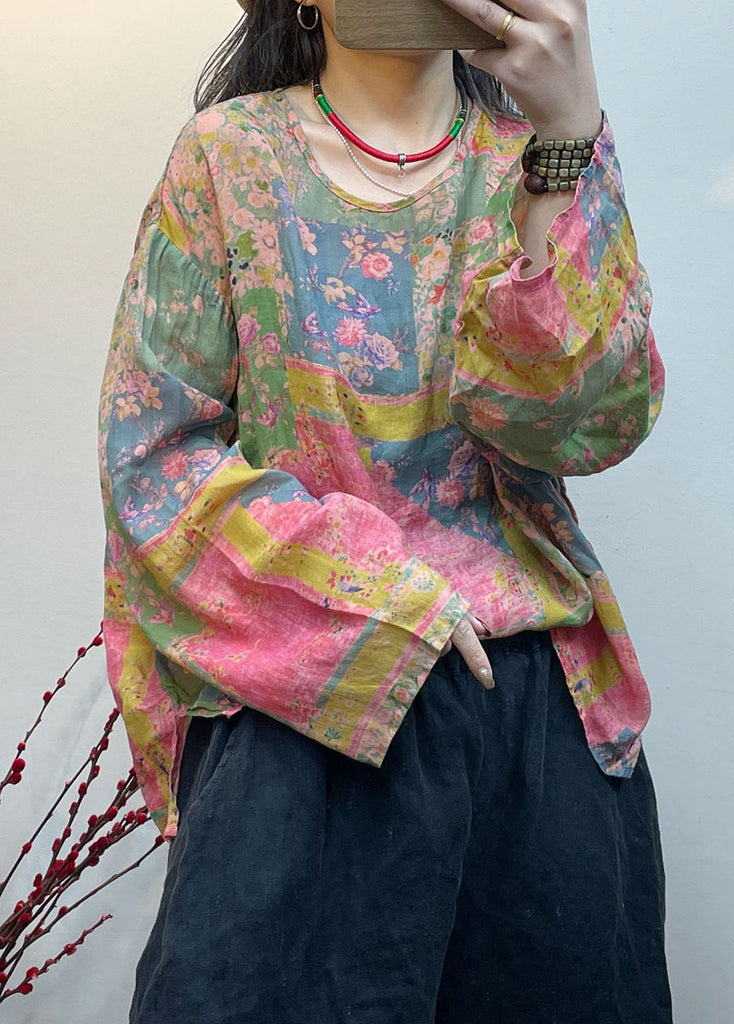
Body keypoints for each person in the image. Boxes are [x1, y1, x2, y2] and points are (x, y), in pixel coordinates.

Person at [97, 1, 673, 1021]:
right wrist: (371, 593)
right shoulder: (229, 159)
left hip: (528, 719)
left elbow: (587, 423)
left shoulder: (539, 156)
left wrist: (563, 141)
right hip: (303, 711)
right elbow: (152, 465)